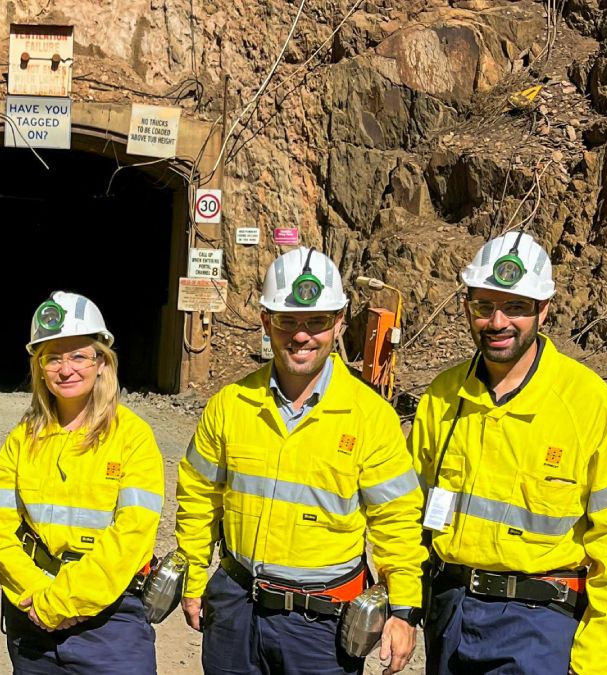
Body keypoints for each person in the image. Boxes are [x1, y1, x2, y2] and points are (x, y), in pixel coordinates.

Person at [176, 246, 427, 675]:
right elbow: (198, 499)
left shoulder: (371, 418)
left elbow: (397, 522)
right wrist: (193, 577)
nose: (301, 335)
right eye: (287, 321)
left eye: (317, 321)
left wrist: (403, 610)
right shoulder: (231, 405)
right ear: (266, 322)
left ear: (340, 322)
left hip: (321, 625)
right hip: (236, 610)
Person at [410, 231, 607, 675]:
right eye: (484, 306)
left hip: (538, 624)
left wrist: (591, 665)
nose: (497, 322)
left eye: (516, 307)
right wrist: (405, 607)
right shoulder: (443, 397)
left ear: (543, 308)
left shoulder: (587, 403)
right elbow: (407, 516)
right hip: (450, 613)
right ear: (467, 307)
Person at [0, 291, 164, 674]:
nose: (66, 369)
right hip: (31, 614)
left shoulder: (132, 437)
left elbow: (132, 536)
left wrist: (62, 602)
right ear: (40, 368)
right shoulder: (22, 438)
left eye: (79, 355)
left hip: (109, 619)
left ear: (102, 362)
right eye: (53, 358)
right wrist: (39, 596)